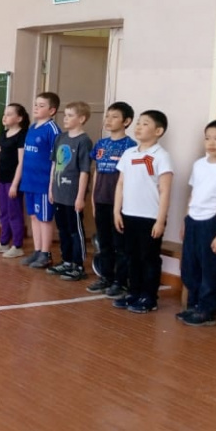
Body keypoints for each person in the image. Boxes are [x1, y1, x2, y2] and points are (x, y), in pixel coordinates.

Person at [177, 120, 216, 327]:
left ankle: (206, 310)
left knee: (209, 268)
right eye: (207, 138)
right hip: (193, 221)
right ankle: (193, 304)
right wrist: (186, 220)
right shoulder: (199, 164)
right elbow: (193, 194)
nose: (211, 143)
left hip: (212, 222)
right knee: (190, 266)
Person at [113, 110, 174, 314]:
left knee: (148, 258)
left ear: (158, 131)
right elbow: (120, 184)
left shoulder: (162, 156)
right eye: (138, 123)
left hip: (150, 217)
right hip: (129, 214)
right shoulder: (129, 153)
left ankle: (149, 297)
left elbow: (165, 190)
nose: (139, 127)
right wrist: (117, 211)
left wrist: (160, 220)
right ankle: (134, 292)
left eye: (145, 124)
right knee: (131, 256)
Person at [86, 102, 137, 297]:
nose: (108, 120)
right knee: (104, 242)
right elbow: (97, 171)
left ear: (126, 121)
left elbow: (129, 178)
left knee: (120, 244)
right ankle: (106, 277)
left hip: (120, 204)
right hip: (101, 199)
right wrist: (93, 198)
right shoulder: (101, 144)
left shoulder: (131, 147)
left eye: (114, 117)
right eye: (107, 116)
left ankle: (120, 281)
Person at [47, 101, 93, 281]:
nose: (65, 118)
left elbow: (84, 171)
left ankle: (78, 265)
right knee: (63, 229)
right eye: (65, 115)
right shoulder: (60, 138)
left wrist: (80, 197)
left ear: (81, 119)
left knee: (75, 230)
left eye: (70, 115)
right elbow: (54, 165)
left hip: (73, 195)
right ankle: (66, 261)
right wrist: (51, 188)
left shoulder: (84, 141)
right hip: (59, 192)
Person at [20, 92, 61, 268]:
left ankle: (46, 253)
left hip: (43, 182)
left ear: (52, 110)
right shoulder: (32, 127)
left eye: (41, 105)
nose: (36, 108)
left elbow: (56, 160)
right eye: (36, 104)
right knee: (34, 216)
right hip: (29, 181)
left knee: (44, 218)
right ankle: (37, 251)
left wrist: (51, 185)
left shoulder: (53, 130)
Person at [0, 103, 29, 258]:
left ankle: (17, 245)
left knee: (14, 213)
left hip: (13, 181)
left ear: (19, 118)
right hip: (1, 179)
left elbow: (21, 162)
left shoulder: (22, 136)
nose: (4, 117)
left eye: (9, 114)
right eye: (4, 114)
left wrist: (15, 184)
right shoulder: (4, 134)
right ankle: (4, 242)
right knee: (3, 212)